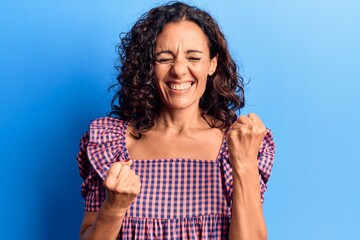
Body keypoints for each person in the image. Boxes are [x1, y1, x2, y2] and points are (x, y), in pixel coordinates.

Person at [77, 1, 275, 239]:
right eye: (164, 58)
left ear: (212, 63)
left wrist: (243, 164)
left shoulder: (239, 144)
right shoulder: (110, 144)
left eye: (193, 57)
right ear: (148, 65)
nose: (179, 70)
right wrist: (114, 208)